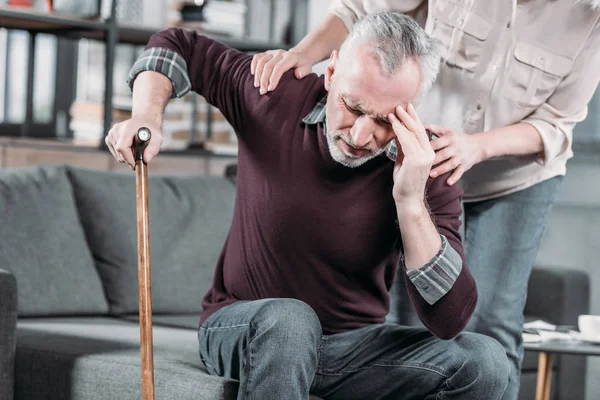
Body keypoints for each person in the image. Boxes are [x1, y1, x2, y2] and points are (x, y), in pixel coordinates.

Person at [107, 11, 509, 400]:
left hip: (350, 349)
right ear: (331, 73)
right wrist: (146, 116)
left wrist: (410, 201)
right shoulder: (275, 93)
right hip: (245, 326)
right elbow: (177, 45)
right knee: (292, 322)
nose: (361, 133)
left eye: (386, 120)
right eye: (353, 107)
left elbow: (450, 319)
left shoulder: (428, 163)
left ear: (412, 111)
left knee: (485, 361)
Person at [249, 1, 600, 399]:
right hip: (416, 164)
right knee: (410, 323)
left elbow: (555, 124)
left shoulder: (591, 15)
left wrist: (475, 147)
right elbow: (358, 9)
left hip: (514, 178)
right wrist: (302, 55)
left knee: (492, 324)